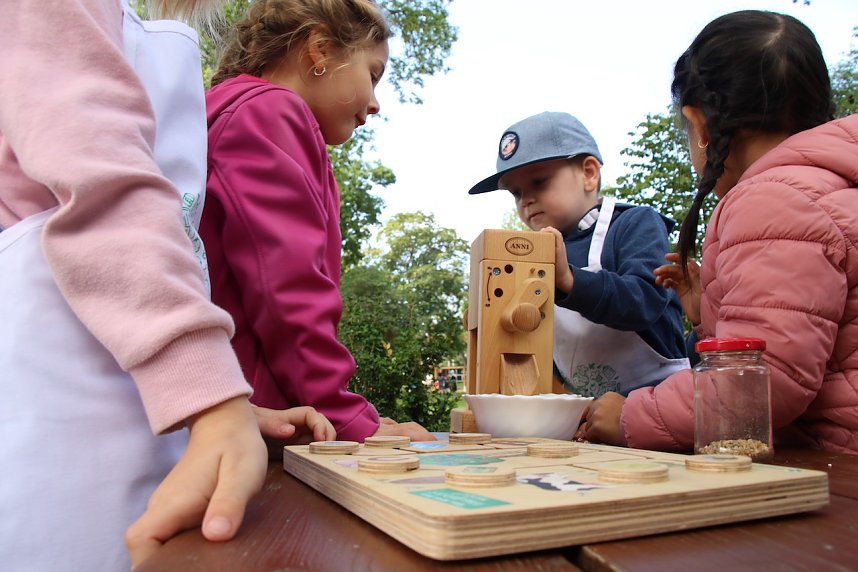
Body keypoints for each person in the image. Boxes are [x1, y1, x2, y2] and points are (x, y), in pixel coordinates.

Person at [0, 1, 336, 569]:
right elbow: (107, 192)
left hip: (124, 421)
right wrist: (208, 393)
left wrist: (225, 408)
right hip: (56, 439)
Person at [580, 10, 858, 454]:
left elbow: (764, 385)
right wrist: (708, 312)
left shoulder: (774, 200)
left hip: (838, 468)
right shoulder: (831, 186)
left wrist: (631, 415)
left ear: (702, 125)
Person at [200, 0, 434, 443]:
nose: (376, 102)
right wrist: (343, 417)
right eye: (373, 74)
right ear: (320, 49)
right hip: (254, 413)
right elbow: (288, 290)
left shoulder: (244, 113)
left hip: (244, 406)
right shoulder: (269, 114)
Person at [468, 112, 689, 398]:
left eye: (538, 182)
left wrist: (570, 281)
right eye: (515, 192)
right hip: (588, 416)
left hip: (661, 403)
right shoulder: (534, 256)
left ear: (588, 173)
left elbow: (645, 300)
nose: (525, 200)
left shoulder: (635, 224)